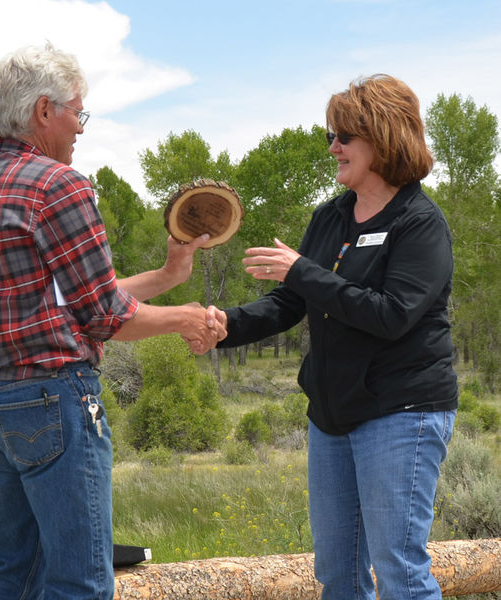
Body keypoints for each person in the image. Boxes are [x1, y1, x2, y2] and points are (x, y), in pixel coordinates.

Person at [0, 43, 225, 600]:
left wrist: (169, 277)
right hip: (55, 403)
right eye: (78, 111)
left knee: (13, 571)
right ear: (44, 111)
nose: (80, 127)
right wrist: (188, 318)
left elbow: (66, 300)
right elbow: (103, 316)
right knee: (80, 582)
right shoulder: (58, 185)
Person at [205, 74, 458, 599]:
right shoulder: (330, 217)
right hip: (331, 415)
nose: (334, 147)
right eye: (331, 136)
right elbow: (292, 302)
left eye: (344, 136)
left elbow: (391, 314)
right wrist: (227, 325)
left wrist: (301, 271)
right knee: (337, 575)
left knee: (401, 575)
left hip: (401, 413)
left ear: (385, 138)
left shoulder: (420, 223)